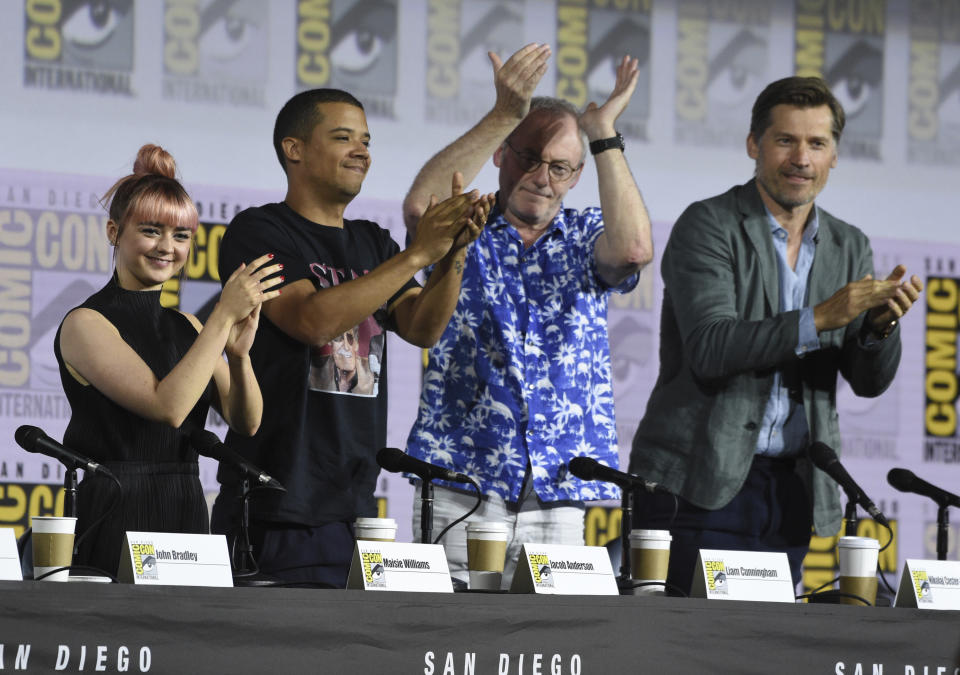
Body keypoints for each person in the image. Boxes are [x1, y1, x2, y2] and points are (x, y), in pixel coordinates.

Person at [629, 76, 924, 595]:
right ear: (754, 145)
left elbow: (868, 383)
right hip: (697, 482)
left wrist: (878, 330)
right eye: (786, 140)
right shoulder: (709, 225)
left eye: (817, 144)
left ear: (834, 156)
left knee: (760, 653)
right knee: (681, 653)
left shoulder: (849, 244)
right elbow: (711, 348)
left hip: (791, 491)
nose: (801, 159)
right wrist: (821, 318)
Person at [210, 88, 493, 587]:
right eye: (343, 138)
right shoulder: (259, 231)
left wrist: (451, 255)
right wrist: (416, 255)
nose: (362, 151)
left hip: (355, 507)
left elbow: (423, 328)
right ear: (293, 149)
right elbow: (309, 321)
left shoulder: (373, 242)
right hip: (276, 502)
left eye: (366, 140)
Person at [403, 44, 653, 588]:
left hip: (557, 492)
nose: (542, 176)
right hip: (460, 478)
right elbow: (420, 210)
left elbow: (633, 250)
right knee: (447, 644)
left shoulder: (588, 236)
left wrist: (602, 130)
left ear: (577, 174)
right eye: (529, 156)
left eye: (560, 166)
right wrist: (504, 114)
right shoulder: (465, 219)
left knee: (552, 650)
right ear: (500, 154)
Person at [55, 144, 282, 575]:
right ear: (113, 232)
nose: (167, 248)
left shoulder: (189, 328)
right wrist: (222, 316)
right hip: (116, 508)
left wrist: (238, 356)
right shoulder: (86, 322)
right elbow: (169, 408)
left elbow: (246, 422)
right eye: (151, 230)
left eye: (181, 236)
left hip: (186, 506)